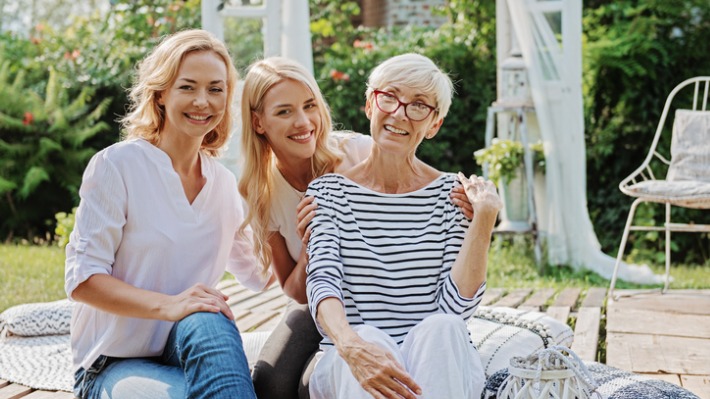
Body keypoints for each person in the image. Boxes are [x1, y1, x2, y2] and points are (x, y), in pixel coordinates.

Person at [238, 56, 475, 399]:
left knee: (412, 339)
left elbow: (412, 187)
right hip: (318, 302)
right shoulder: (262, 192)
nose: (303, 121)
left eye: (309, 106)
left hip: (382, 302)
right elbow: (296, 290)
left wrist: (468, 203)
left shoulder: (356, 150)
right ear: (259, 122)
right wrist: (316, 242)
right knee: (270, 382)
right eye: (284, 111)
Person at [64, 29, 268, 399]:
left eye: (216, 89)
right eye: (187, 87)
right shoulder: (117, 165)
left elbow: (259, 275)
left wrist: (297, 202)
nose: (203, 101)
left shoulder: (223, 183)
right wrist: (171, 305)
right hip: (111, 362)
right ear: (161, 94)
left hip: (185, 345)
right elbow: (83, 280)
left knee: (209, 316)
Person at [305, 53, 503, 399]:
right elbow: (323, 283)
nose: (399, 113)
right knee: (370, 339)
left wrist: (484, 218)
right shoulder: (328, 193)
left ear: (434, 125)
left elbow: (456, 310)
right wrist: (352, 345)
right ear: (370, 104)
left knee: (442, 329)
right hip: (350, 359)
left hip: (435, 363)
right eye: (390, 97)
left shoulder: (451, 196)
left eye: (419, 106)